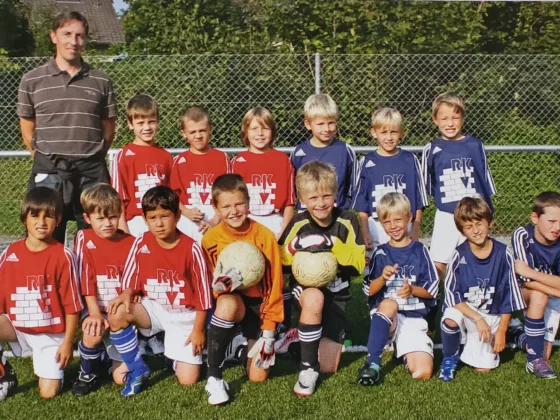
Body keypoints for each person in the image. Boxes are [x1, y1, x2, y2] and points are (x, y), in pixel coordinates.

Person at [17, 11, 117, 243]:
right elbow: (27, 128)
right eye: (67, 34)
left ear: (86, 39)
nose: (73, 41)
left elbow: (108, 127)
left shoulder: (101, 81)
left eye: (79, 35)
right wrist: (42, 157)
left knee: (98, 239)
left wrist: (92, 155)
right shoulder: (32, 80)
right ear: (54, 36)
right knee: (46, 239)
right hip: (49, 171)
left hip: (91, 172)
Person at [107, 186, 212, 396]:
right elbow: (130, 279)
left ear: (178, 216)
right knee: (118, 311)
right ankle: (137, 368)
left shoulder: (192, 249)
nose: (159, 223)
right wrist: (127, 292)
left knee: (188, 380)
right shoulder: (141, 242)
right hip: (155, 309)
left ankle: (172, 356)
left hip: (185, 317)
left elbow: (204, 297)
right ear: (145, 220)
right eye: (153, 218)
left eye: (165, 216)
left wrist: (198, 330)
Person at [279, 161, 365, 396]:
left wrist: (331, 244)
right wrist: (294, 247)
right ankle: (307, 369)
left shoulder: (348, 220)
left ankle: (297, 340)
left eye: (326, 196)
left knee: (329, 365)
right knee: (314, 298)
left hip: (337, 294)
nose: (321, 203)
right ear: (302, 199)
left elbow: (358, 265)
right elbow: (281, 261)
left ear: (335, 194)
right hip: (305, 292)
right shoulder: (298, 222)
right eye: (313, 198)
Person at [201, 174, 283, 405]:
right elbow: (210, 286)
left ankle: (237, 347)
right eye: (226, 206)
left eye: (239, 204)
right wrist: (221, 286)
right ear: (215, 208)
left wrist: (269, 331)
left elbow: (275, 284)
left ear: (248, 203)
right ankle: (214, 377)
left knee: (258, 376)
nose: (234, 211)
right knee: (227, 302)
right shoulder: (211, 240)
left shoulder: (264, 236)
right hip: (232, 304)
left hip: (259, 306)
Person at [0, 187, 82, 399]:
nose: (42, 222)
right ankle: (4, 373)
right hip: (18, 327)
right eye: (35, 215)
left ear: (59, 220)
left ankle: (57, 373)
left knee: (48, 393)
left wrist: (67, 343)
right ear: (24, 218)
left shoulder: (64, 256)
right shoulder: (11, 253)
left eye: (49, 216)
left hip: (50, 334)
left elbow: (72, 306)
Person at [438, 196, 525, 381]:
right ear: (461, 230)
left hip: (492, 313)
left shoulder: (503, 253)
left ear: (489, 222)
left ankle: (510, 331)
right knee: (451, 319)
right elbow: (452, 296)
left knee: (483, 369)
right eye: (469, 226)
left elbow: (509, 296)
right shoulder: (458, 255)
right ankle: (449, 358)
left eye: (479, 223)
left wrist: (501, 331)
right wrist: (477, 319)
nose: (476, 230)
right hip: (467, 311)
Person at [359, 192, 438, 386]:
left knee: (423, 372)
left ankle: (403, 351)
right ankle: (373, 363)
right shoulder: (381, 253)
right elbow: (369, 291)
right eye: (387, 222)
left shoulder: (421, 251)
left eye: (397, 220)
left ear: (409, 218)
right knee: (389, 303)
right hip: (388, 319)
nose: (393, 226)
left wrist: (412, 290)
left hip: (413, 320)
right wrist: (382, 278)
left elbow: (432, 291)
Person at [71, 184, 136, 396]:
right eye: (100, 218)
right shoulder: (84, 237)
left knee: (120, 378)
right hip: (95, 307)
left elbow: (134, 280)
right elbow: (85, 278)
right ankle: (87, 373)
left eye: (113, 217)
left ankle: (108, 358)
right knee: (93, 330)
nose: (107, 224)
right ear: (87, 218)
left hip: (119, 313)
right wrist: (94, 313)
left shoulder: (131, 242)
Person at [422, 93, 496, 278]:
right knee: (439, 263)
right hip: (447, 215)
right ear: (435, 120)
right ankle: (434, 296)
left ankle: (477, 295)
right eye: (444, 118)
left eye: (455, 118)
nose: (450, 123)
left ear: (462, 117)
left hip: (473, 215)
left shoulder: (475, 144)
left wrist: (488, 214)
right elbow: (428, 184)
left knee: (474, 260)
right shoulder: (431, 149)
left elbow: (484, 181)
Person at [352, 108, 428, 270]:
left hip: (404, 223)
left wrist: (415, 228)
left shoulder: (410, 159)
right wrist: (365, 232)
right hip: (377, 226)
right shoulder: (366, 162)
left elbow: (419, 198)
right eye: (383, 132)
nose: (389, 137)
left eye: (393, 132)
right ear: (374, 133)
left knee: (406, 269)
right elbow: (361, 202)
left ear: (401, 133)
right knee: (376, 270)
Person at [510, 191, 560, 378]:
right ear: (535, 218)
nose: (557, 227)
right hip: (523, 293)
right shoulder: (522, 235)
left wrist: (531, 272)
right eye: (552, 221)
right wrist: (555, 290)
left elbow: (528, 274)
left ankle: (517, 335)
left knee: (544, 352)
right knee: (540, 295)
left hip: (552, 293)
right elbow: (525, 281)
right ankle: (533, 361)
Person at [112, 94, 173, 237]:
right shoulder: (124, 155)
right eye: (140, 123)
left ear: (158, 121)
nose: (147, 127)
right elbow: (117, 197)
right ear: (130, 124)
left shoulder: (166, 156)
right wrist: (123, 229)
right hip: (136, 222)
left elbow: (172, 194)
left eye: (151, 122)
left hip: (162, 219)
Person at [231, 107, 295, 239]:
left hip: (275, 222)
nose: (260, 133)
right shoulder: (237, 162)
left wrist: (284, 231)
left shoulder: (282, 160)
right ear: (245, 131)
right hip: (246, 221)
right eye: (254, 129)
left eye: (265, 128)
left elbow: (289, 202)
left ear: (272, 131)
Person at [170, 106, 229, 243]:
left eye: (202, 130)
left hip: (216, 218)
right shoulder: (179, 161)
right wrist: (186, 212)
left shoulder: (222, 158)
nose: (198, 136)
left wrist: (216, 219)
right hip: (188, 218)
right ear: (184, 133)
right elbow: (174, 195)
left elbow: (228, 192)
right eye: (192, 132)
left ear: (210, 129)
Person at [290, 94, 357, 211]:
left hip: (338, 212)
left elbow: (354, 186)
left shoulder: (345, 150)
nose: (327, 129)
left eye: (331, 123)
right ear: (308, 124)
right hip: (306, 213)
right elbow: (293, 188)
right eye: (320, 124)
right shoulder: (298, 152)